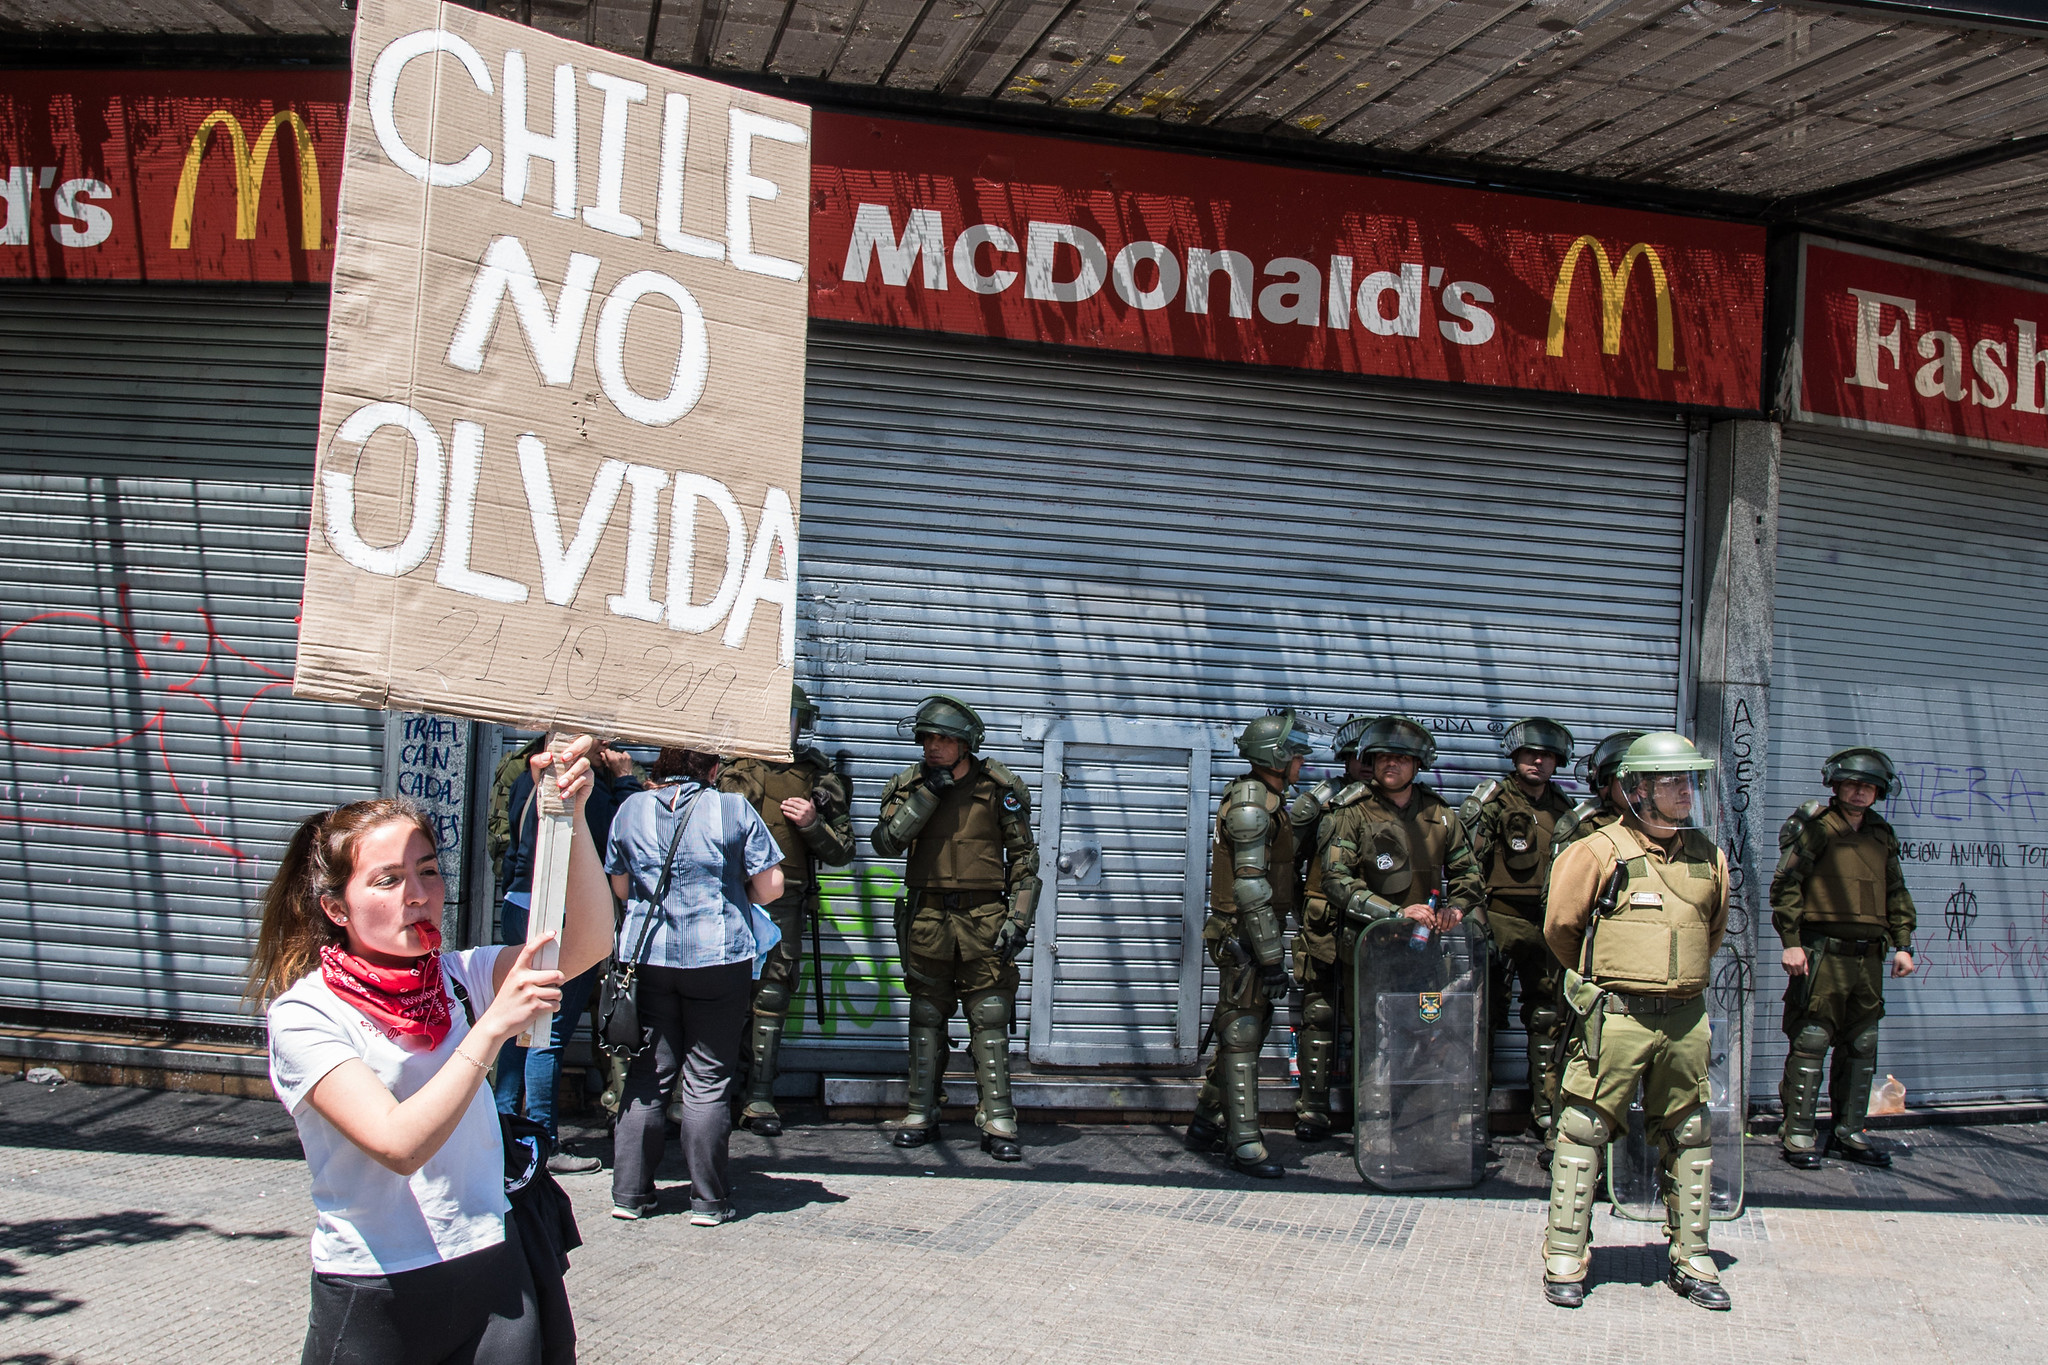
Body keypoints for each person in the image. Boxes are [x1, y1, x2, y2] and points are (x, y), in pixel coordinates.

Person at [252, 738, 613, 1365]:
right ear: (336, 908)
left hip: (492, 1264)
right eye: (387, 880)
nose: (418, 894)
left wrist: (572, 816)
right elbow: (398, 1144)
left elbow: (584, 943)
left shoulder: (458, 976)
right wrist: (491, 1029)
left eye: (427, 871)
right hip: (377, 1288)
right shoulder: (305, 1014)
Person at [1540, 732, 1730, 1312]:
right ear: (1636, 789)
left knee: (1690, 1133)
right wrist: (1612, 979)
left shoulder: (1708, 855)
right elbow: (1561, 930)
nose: (1684, 792)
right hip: (1618, 1016)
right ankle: (1565, 1254)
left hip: (1685, 1019)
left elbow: (1712, 931)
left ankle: (1692, 1254)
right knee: (1583, 1130)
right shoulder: (1597, 851)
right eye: (1671, 782)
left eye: (1689, 781)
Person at [605, 747, 784, 1224]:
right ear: (711, 769)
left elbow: (620, 889)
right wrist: (728, 892)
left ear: (661, 767)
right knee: (708, 1079)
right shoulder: (730, 807)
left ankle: (630, 1196)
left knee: (647, 1077)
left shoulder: (630, 809)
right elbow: (771, 887)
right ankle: (708, 1201)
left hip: (648, 959)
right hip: (718, 956)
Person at [871, 694, 1041, 1160]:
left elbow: (1025, 860)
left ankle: (999, 1118)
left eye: (944, 738)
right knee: (926, 1015)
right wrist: (929, 792)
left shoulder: (996, 787)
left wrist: (1019, 919)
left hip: (984, 916)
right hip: (927, 916)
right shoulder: (910, 787)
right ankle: (921, 1112)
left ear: (966, 743)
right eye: (927, 737)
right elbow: (886, 842)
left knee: (989, 1017)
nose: (933, 746)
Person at [496, 741, 645, 1173]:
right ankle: (542, 1142)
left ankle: (500, 1128)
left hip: (520, 903)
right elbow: (621, 838)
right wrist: (624, 782)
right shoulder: (589, 792)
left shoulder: (529, 777)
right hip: (560, 914)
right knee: (548, 1028)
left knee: (514, 1021)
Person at [1771, 746, 1918, 1170]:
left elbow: (1895, 892)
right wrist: (1791, 941)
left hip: (1868, 958)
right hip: (1821, 953)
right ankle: (1797, 1133)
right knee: (1812, 1039)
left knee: (1862, 1044)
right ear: (1836, 785)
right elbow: (1787, 885)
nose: (1860, 792)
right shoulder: (1817, 828)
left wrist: (1903, 943)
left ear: (1880, 792)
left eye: (1869, 786)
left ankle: (1848, 1132)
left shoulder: (1880, 833)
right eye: (1852, 784)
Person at [719, 685, 856, 1136]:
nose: (784, 727)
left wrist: (812, 824)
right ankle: (703, 1096)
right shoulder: (727, 766)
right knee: (715, 993)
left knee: (772, 996)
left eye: (791, 718)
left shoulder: (817, 780)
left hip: (785, 903)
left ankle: (759, 1097)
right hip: (723, 899)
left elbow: (842, 852)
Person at [1186, 711, 1314, 1178]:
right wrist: (1272, 956)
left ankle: (1204, 1124)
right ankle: (1243, 1143)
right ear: (1276, 757)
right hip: (1245, 936)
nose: (1301, 760)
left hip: (1253, 934)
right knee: (1241, 1035)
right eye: (1295, 753)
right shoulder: (1252, 805)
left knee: (1247, 1030)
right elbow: (1250, 887)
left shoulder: (1270, 800)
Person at [1461, 717, 1575, 1156]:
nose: (1538, 762)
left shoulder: (1563, 809)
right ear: (1516, 757)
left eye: (1546, 756)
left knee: (1548, 1017)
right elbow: (1466, 864)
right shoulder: (1491, 801)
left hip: (1548, 924)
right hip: (1499, 918)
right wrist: (1477, 923)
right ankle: (1473, 1115)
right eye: (1530, 754)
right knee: (1481, 1018)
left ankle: (1547, 1111)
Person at [1284, 715, 1371, 1141]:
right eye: (1360, 756)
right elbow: (1286, 861)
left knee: (1377, 1020)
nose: (1369, 764)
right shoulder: (1319, 802)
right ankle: (1313, 1109)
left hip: (1379, 929)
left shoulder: (1398, 803)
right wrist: (1301, 906)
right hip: (1325, 925)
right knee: (1319, 1014)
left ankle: (1370, 1109)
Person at [1551, 729, 1645, 850]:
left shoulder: (1665, 825)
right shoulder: (1585, 830)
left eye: (1646, 779)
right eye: (1627, 779)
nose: (1639, 786)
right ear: (1605, 785)